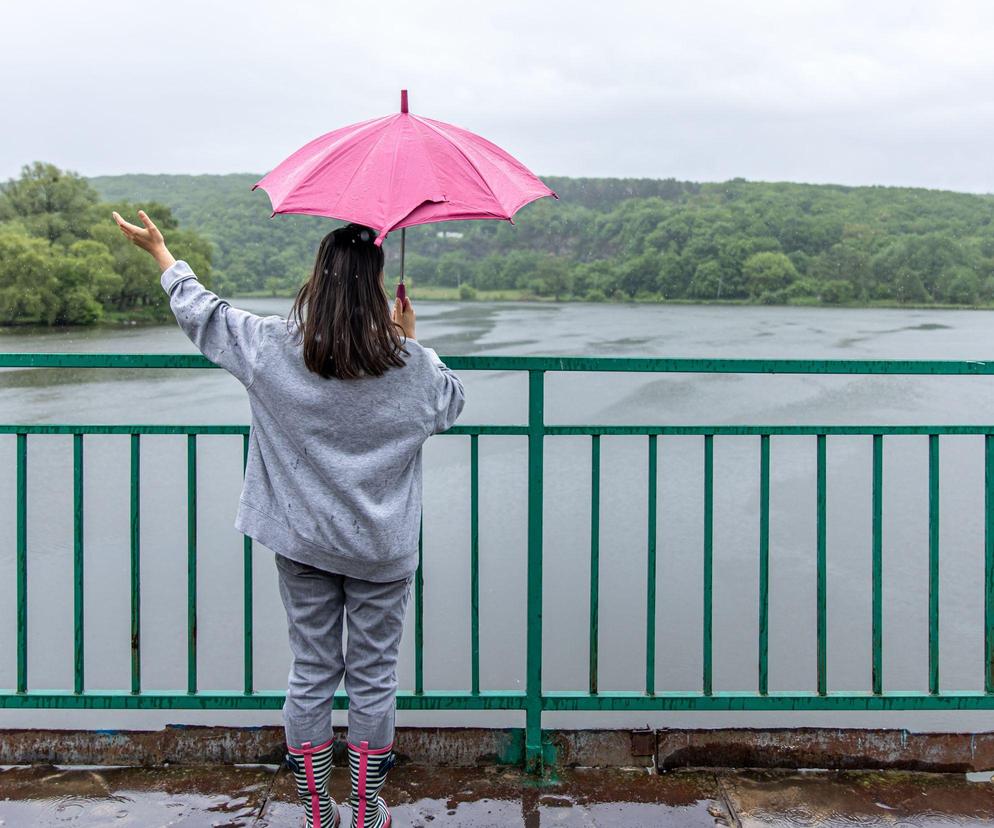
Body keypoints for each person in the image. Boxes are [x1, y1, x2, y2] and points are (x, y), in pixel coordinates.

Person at [113, 210, 466, 828]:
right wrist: (408, 341)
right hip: (382, 551)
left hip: (302, 543)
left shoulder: (273, 346)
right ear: (378, 288)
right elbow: (450, 405)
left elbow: (204, 314)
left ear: (318, 282)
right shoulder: (410, 367)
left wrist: (163, 253)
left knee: (311, 672)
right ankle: (363, 810)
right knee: (374, 677)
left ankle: (317, 813)